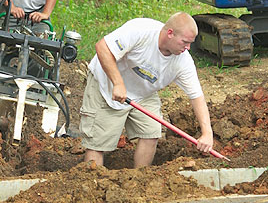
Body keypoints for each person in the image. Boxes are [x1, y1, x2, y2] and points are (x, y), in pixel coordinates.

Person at [80, 12, 214, 168]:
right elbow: (102, 47)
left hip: (142, 93)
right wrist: (117, 83)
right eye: (185, 42)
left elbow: (196, 96)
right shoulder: (141, 30)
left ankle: (140, 180)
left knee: (151, 133)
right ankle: (91, 186)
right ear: (170, 33)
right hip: (107, 85)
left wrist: (207, 133)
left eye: (190, 43)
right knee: (98, 143)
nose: (188, 48)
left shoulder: (183, 62)